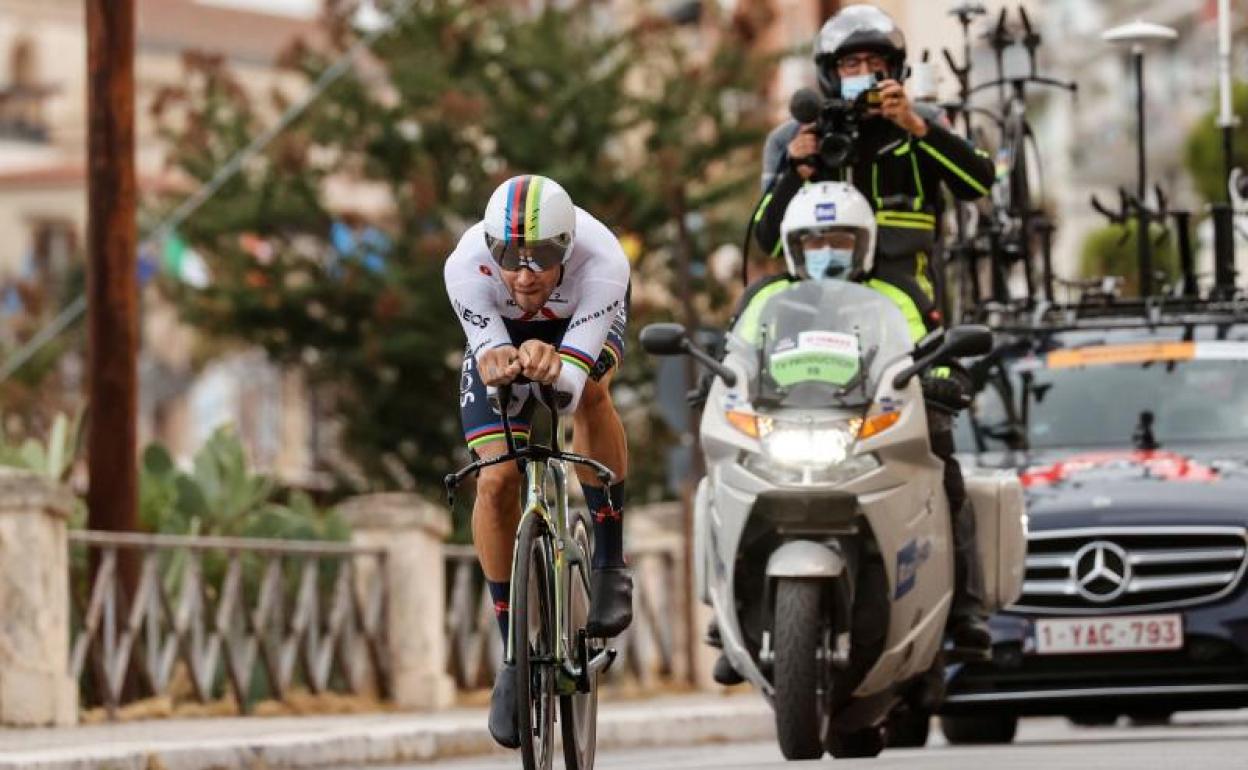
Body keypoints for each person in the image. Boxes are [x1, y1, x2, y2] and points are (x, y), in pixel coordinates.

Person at [711, 181, 991, 687]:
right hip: (786, 424)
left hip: (869, 427)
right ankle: (728, 612)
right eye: (812, 242)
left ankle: (964, 608)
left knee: (947, 475)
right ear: (793, 248)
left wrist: (942, 379)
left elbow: (931, 350)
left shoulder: (896, 295)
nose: (825, 253)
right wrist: (720, 385)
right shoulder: (766, 298)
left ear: (863, 243)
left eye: (838, 240)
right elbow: (736, 358)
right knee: (721, 481)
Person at [444, 174, 633, 748]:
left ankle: (607, 557)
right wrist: (501, 359)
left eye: (543, 258)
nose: (525, 275)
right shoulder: (466, 265)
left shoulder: (603, 262)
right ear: (491, 248)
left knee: (593, 394)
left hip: (578, 330)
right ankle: (511, 653)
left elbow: (569, 389)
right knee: (497, 481)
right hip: (503, 336)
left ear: (568, 248)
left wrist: (556, 362)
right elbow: (491, 357)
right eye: (511, 259)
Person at [753, 4, 995, 324]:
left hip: (908, 310)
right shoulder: (792, 138)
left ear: (892, 70)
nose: (862, 73)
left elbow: (979, 182)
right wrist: (796, 174)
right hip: (821, 315)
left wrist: (918, 128)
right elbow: (767, 242)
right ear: (831, 72)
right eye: (850, 64)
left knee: (942, 374)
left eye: (874, 62)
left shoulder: (922, 124)